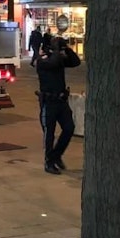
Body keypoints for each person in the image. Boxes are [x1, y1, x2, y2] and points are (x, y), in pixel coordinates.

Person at [34, 35, 81, 175]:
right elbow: (52, 63)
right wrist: (55, 50)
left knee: (69, 128)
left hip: (61, 102)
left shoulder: (58, 58)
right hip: (48, 103)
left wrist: (66, 48)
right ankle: (49, 161)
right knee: (49, 134)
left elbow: (75, 62)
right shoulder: (42, 60)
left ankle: (56, 155)